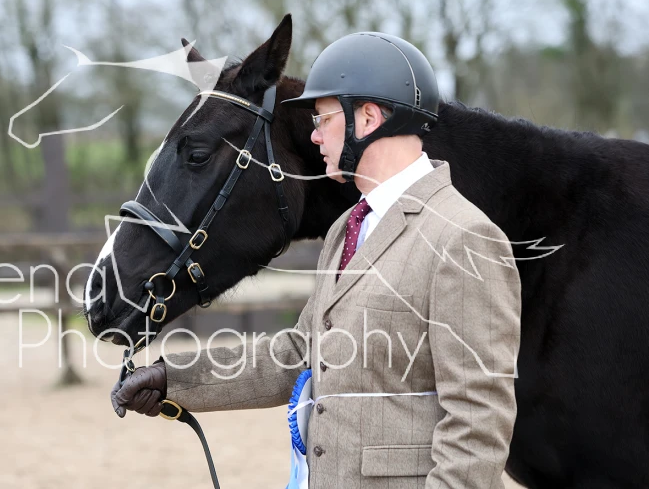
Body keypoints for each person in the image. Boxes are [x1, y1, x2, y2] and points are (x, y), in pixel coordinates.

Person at [111, 32, 522, 489]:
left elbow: (478, 420)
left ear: (368, 118)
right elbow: (301, 352)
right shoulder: (348, 228)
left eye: (323, 118)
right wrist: (173, 379)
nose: (314, 134)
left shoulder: (464, 237)